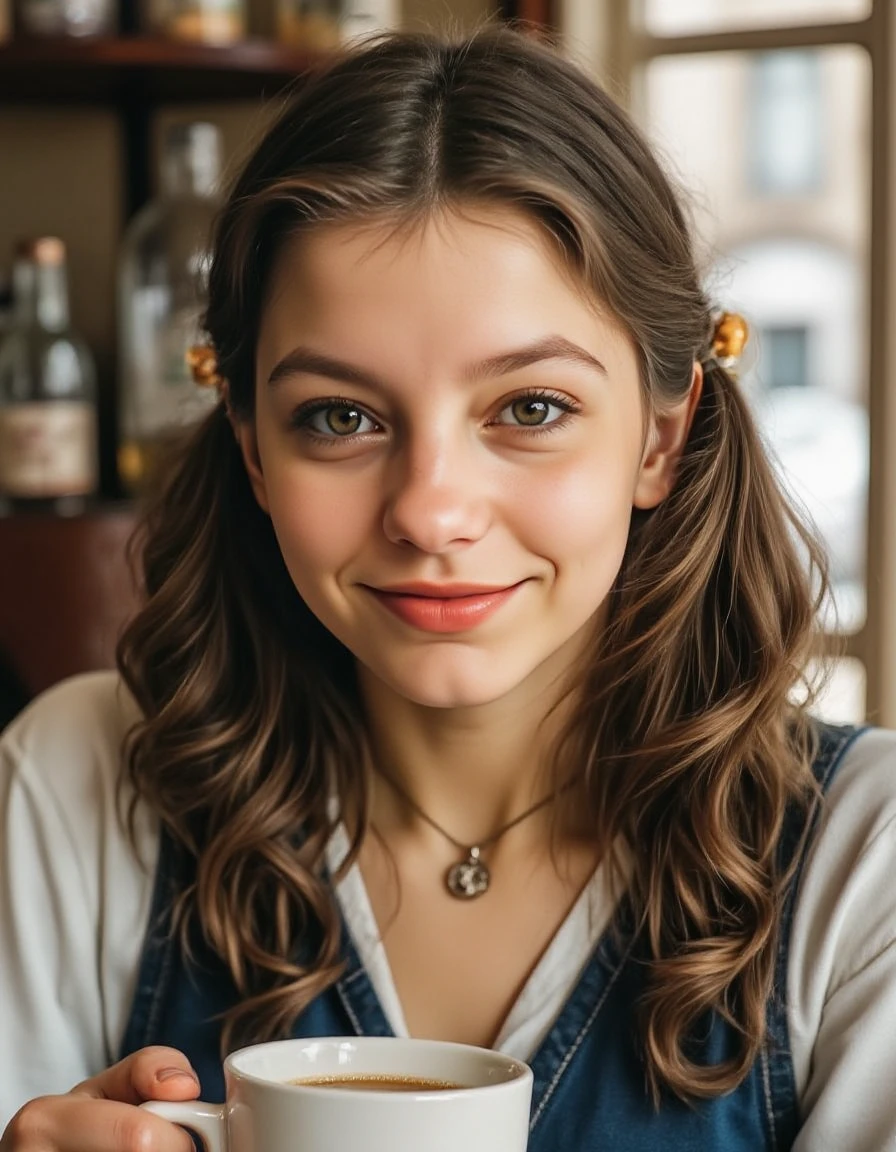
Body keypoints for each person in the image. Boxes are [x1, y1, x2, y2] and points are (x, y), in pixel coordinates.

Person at [1, 26, 895, 1152]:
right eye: (340, 418)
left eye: (528, 409)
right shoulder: (76, 792)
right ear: (250, 448)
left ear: (658, 442)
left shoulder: (866, 859)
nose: (429, 511)